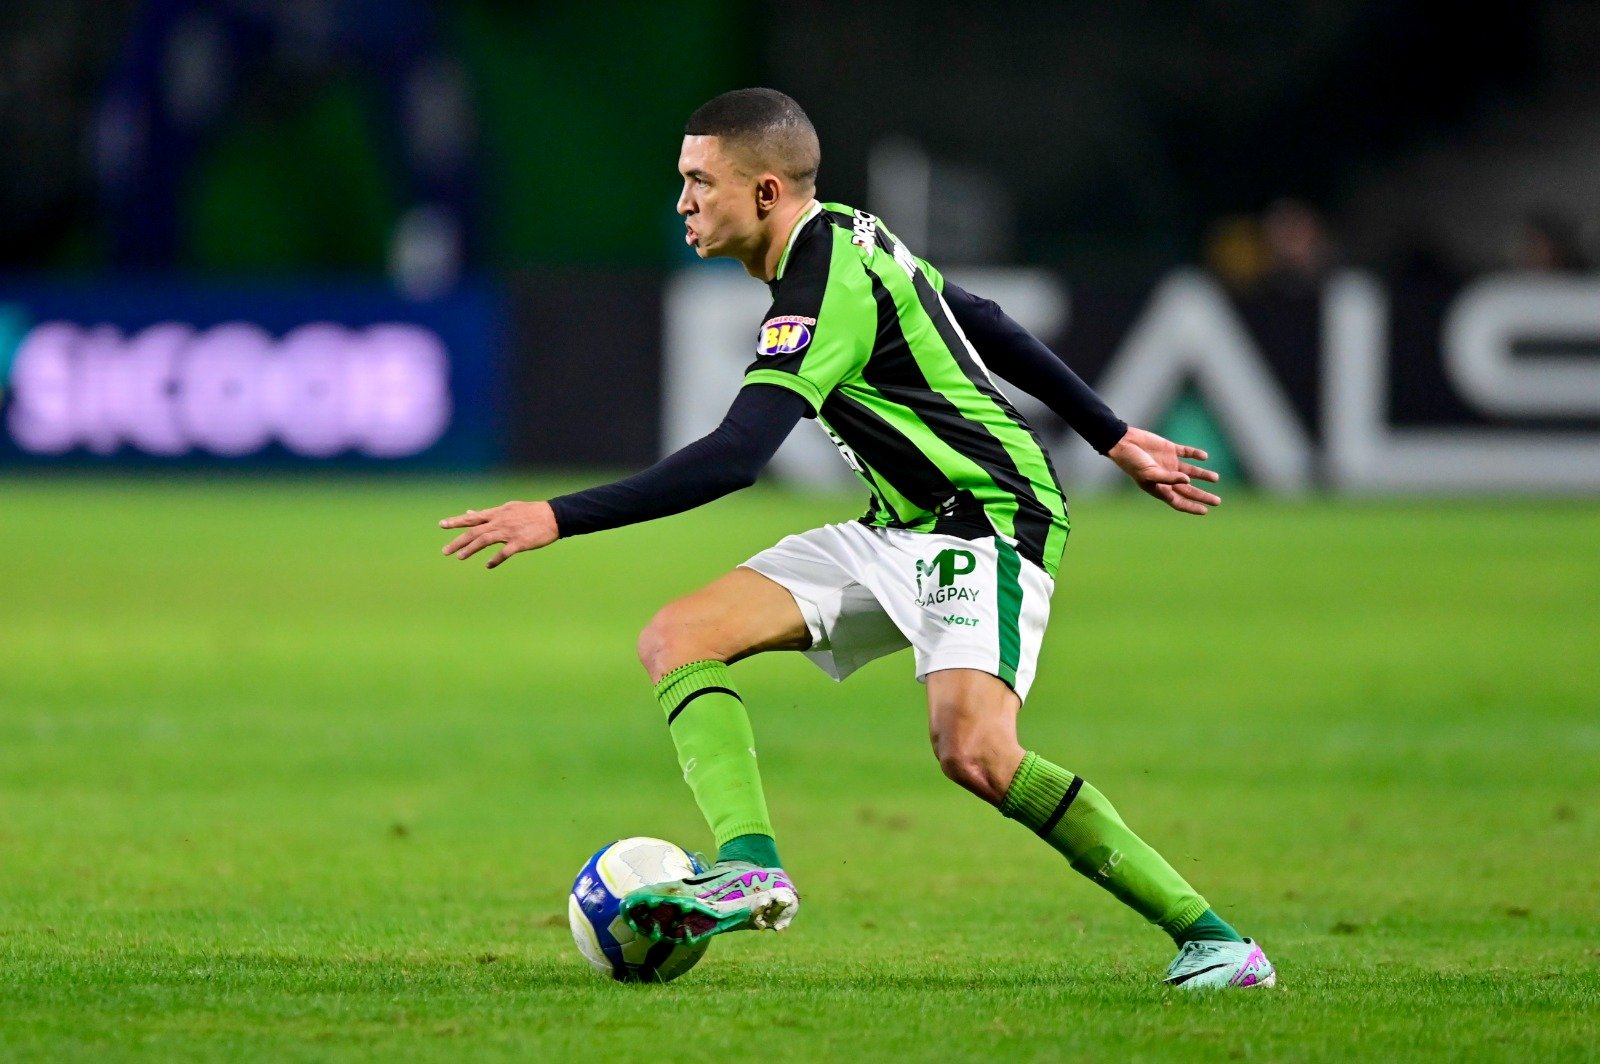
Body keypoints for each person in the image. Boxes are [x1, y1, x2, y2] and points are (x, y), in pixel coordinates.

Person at [440, 88, 1274, 990]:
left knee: (977, 754)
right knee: (677, 637)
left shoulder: (816, 290)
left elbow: (733, 459)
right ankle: (751, 864)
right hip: (898, 526)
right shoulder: (847, 231)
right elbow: (980, 317)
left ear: (764, 192)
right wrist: (1113, 433)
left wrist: (556, 516)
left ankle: (1220, 941)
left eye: (697, 181)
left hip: (988, 519)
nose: (682, 201)